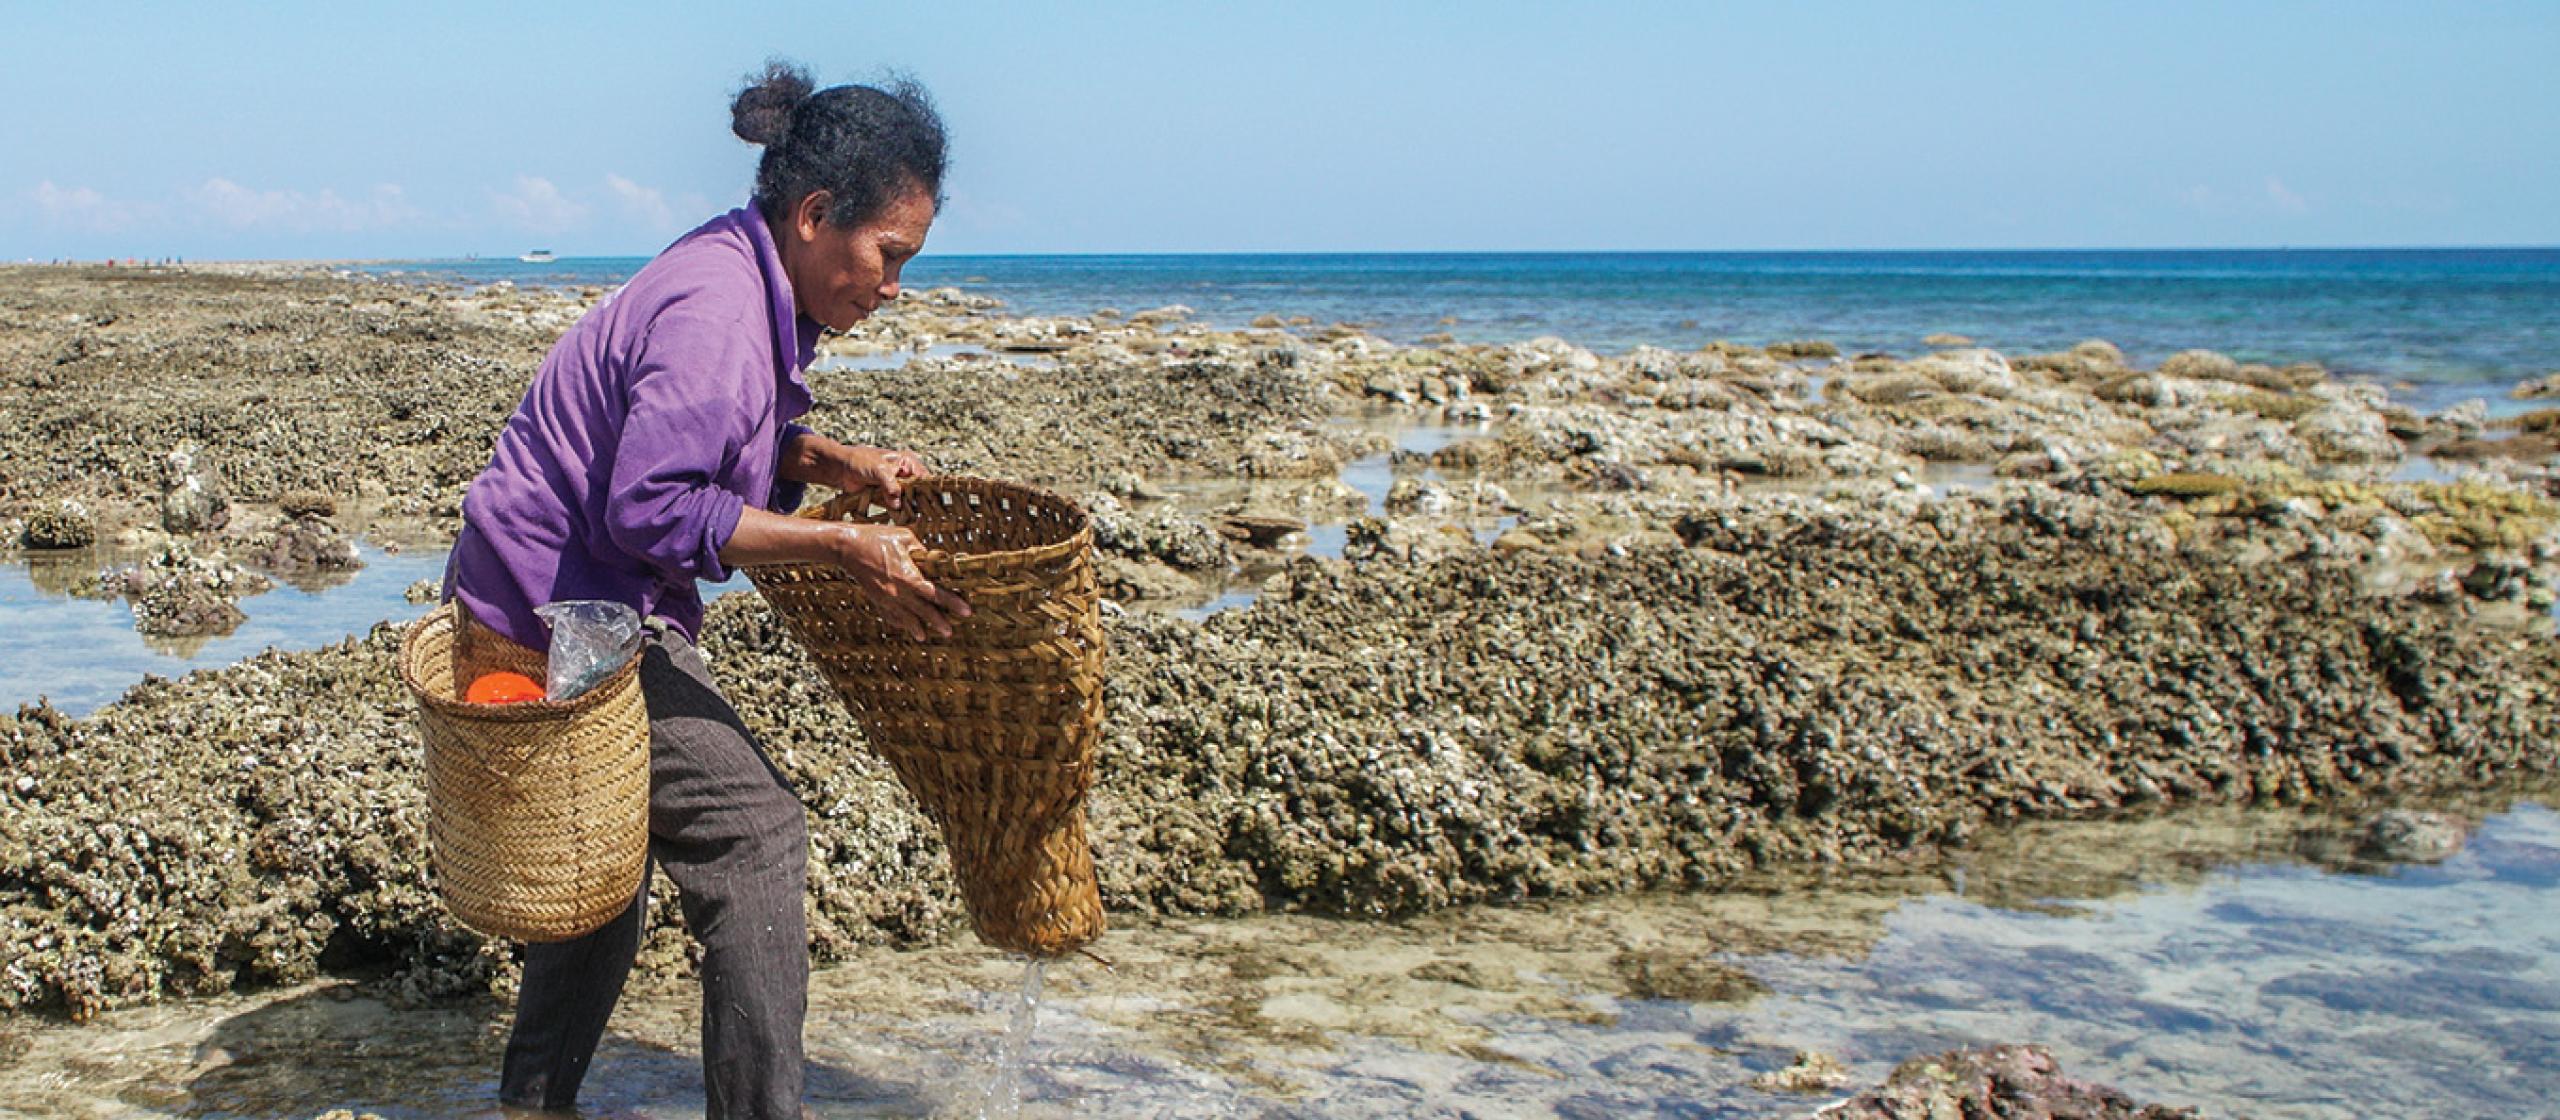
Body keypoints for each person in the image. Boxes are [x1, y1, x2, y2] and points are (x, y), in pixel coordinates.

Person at [443, 60, 971, 1118]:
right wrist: (839, 548)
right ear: (818, 214)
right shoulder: (720, 312)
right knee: (756, 833)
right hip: (559, 618)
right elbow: (650, 507)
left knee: (607, 862)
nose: (893, 286)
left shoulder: (739, 270)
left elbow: (733, 433)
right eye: (888, 254)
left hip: (534, 592)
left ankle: (529, 1103)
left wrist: (836, 463)